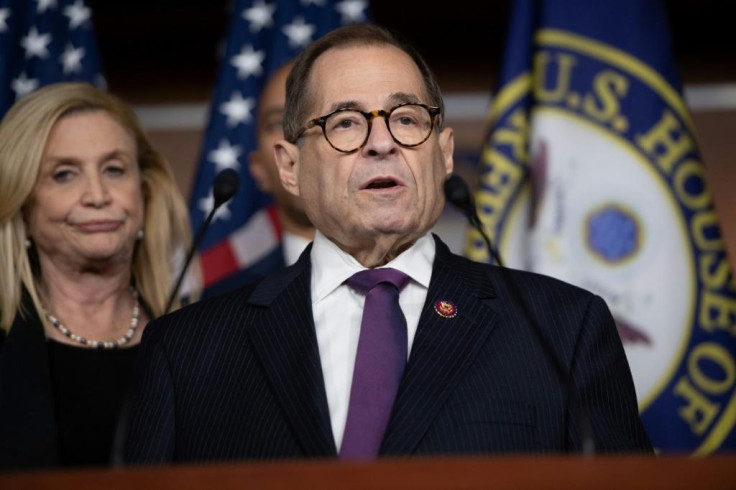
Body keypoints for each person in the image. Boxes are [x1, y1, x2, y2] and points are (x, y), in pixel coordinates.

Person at [124, 23, 652, 464]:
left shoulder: (563, 330)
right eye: (346, 123)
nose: (382, 143)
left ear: (444, 154)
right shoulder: (188, 351)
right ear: (290, 166)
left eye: (406, 119)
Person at [0, 83, 192, 469]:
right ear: (23, 206)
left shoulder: (198, 343)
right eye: (64, 174)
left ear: (143, 191)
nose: (97, 194)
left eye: (114, 169)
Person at [202, 62, 315, 299]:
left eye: (313, 116)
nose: (294, 136)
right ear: (258, 168)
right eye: (277, 122)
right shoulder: (220, 306)